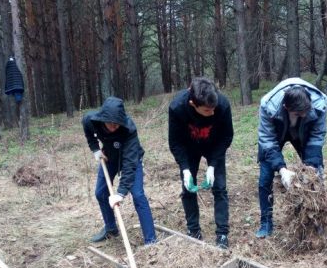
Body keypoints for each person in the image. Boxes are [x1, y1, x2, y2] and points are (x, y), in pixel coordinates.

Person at [256, 78, 327, 238]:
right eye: (298, 113)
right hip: (276, 132)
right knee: (265, 176)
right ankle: (266, 222)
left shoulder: (319, 105)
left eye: (305, 112)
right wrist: (282, 170)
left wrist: (310, 167)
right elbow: (267, 141)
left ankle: (316, 221)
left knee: (316, 176)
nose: (303, 114)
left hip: (304, 134)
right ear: (286, 107)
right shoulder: (268, 106)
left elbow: (317, 136)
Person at [168, 77, 234, 249]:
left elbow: (227, 136)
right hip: (189, 147)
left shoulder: (222, 105)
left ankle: (222, 235)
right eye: (207, 110)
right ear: (192, 104)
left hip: (214, 145)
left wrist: (212, 165)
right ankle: (194, 230)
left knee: (219, 187)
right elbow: (175, 142)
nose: (212, 113)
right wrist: (185, 169)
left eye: (214, 109)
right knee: (188, 188)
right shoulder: (177, 108)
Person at [83, 96, 157, 245]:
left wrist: (120, 192)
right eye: (111, 124)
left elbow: (130, 163)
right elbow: (88, 131)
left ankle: (151, 240)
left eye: (117, 124)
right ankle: (111, 229)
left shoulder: (128, 128)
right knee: (100, 193)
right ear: (103, 119)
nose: (114, 127)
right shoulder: (91, 120)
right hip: (109, 157)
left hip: (131, 158)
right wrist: (95, 149)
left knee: (138, 195)